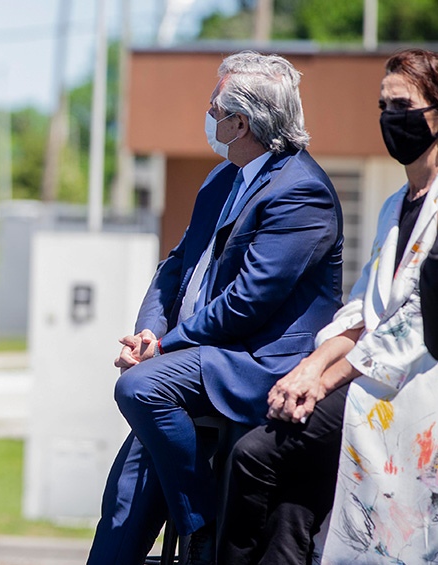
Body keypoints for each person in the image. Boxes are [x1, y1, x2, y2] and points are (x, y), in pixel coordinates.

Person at [86, 51, 344, 565]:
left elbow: (248, 304)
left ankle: (200, 530)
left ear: (241, 123)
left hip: (257, 360)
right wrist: (149, 332)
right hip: (197, 355)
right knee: (125, 502)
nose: (207, 115)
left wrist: (164, 347)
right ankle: (175, 536)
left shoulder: (301, 191)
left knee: (139, 387)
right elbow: (175, 267)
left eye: (214, 108)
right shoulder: (223, 178)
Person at [219, 48, 438, 565]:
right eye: (383, 106)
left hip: (411, 386)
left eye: (403, 105)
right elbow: (362, 308)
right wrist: (308, 369)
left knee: (255, 455)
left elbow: (413, 324)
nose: (390, 118)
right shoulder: (394, 205)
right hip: (366, 381)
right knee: (293, 503)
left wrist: (322, 382)